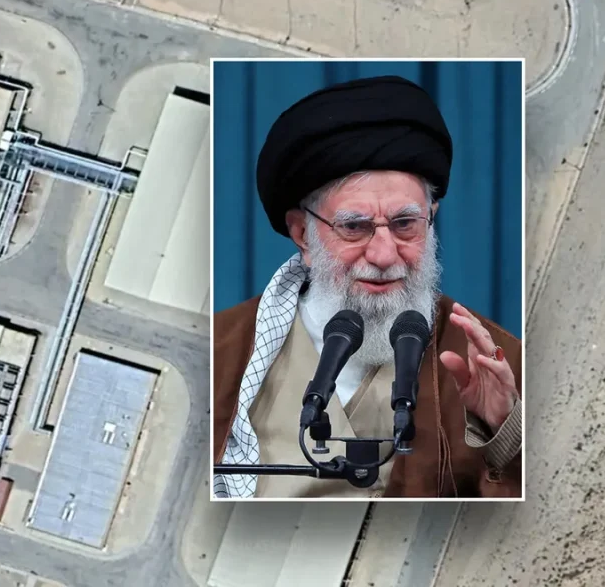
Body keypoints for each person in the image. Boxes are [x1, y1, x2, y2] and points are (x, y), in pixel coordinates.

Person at [212, 75, 522, 499]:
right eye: (354, 227)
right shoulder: (218, 354)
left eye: (405, 223)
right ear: (303, 235)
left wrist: (505, 434)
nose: (383, 254)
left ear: (430, 219)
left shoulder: (499, 365)